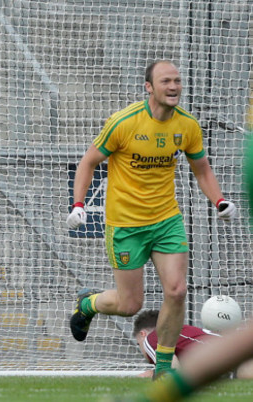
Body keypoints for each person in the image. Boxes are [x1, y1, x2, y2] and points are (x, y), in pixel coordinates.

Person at [66, 60, 237, 378]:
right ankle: (87, 304)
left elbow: (202, 169)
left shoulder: (187, 125)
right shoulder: (124, 122)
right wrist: (78, 204)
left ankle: (162, 368)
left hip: (166, 220)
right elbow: (88, 162)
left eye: (177, 81)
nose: (174, 87)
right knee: (129, 304)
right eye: (166, 81)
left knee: (176, 290)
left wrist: (220, 200)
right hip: (126, 224)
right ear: (149, 87)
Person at [109, 135, 253, 402]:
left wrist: (149, 379)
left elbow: (171, 370)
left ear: (144, 334)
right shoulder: (193, 333)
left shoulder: (155, 338)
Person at [131, 309, 253, 379]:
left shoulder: (152, 338)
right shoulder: (188, 331)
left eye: (138, 344)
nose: (142, 351)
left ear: (143, 334)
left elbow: (173, 373)